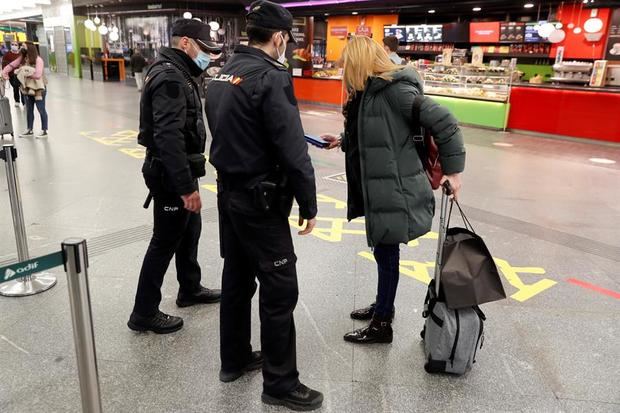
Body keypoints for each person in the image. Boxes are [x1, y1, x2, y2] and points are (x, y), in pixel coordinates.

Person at [205, 1, 323, 411]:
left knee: (237, 278)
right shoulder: (271, 77)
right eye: (286, 40)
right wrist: (309, 201)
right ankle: (280, 383)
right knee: (279, 287)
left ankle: (233, 358)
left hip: (229, 194)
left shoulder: (220, 74)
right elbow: (292, 149)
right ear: (278, 38)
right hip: (261, 200)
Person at [321, 36, 465, 344]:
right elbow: (376, 131)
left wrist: (453, 171)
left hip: (394, 187)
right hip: (380, 186)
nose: (344, 73)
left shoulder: (395, 91)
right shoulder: (368, 93)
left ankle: (382, 323)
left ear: (360, 63)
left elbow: (447, 123)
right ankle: (382, 305)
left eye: (347, 66)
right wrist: (342, 141)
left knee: (387, 253)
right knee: (383, 252)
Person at [127, 19, 223, 334]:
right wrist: (184, 188)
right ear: (185, 43)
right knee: (164, 240)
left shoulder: (180, 72)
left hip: (178, 170)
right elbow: (168, 136)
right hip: (170, 174)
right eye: (205, 48)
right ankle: (144, 312)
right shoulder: (170, 76)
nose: (208, 55)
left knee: (190, 228)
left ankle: (190, 288)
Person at [2, 42, 48, 138]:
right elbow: (12, 65)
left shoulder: (38, 60)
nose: (21, 48)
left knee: (41, 109)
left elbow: (38, 75)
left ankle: (44, 130)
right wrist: (4, 72)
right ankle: (29, 130)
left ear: (30, 48)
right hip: (27, 88)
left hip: (39, 89)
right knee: (29, 109)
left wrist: (23, 72)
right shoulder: (23, 58)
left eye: (23, 46)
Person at [2, 41, 25, 107]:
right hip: (11, 74)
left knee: (21, 87)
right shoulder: (7, 54)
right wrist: (5, 73)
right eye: (12, 44)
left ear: (18, 46)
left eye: (15, 44)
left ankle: (24, 102)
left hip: (20, 74)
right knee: (15, 87)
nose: (14, 46)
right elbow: (4, 65)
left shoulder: (21, 54)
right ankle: (17, 100)